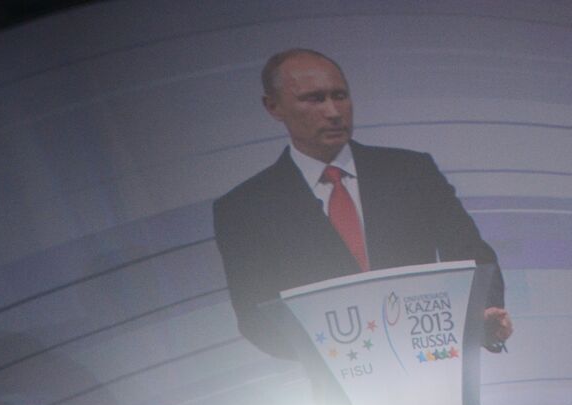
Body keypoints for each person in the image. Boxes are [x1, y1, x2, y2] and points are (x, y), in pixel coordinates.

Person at [213, 48, 513, 360]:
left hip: (437, 370)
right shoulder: (245, 208)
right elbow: (257, 315)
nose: (333, 111)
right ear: (273, 106)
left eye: (339, 95)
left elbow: (473, 255)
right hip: (341, 392)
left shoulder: (412, 172)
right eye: (314, 99)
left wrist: (482, 315)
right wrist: (344, 357)